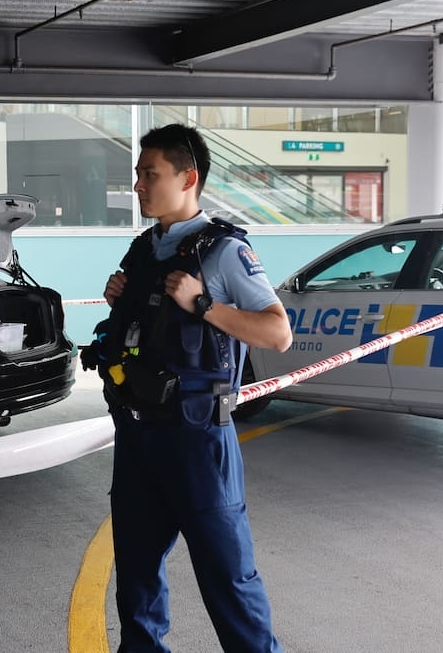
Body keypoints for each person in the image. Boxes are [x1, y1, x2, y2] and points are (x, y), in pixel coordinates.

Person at [89, 123, 293, 652]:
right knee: (136, 576)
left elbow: (278, 333)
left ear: (188, 178)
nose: (138, 185)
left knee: (228, 577)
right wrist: (122, 301)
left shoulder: (223, 252)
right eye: (138, 174)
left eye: (149, 174)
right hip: (137, 436)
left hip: (198, 440)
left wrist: (204, 304)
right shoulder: (144, 250)